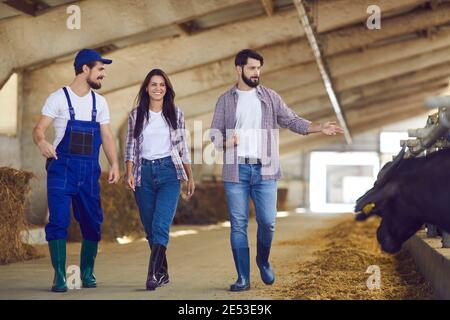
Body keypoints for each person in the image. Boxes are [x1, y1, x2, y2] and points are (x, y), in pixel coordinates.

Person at [210, 49, 344, 291]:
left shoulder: (270, 97)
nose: (256, 73)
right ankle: (242, 278)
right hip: (236, 170)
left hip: (266, 170)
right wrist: (227, 142)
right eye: (252, 68)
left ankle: (262, 259)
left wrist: (319, 126)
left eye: (259, 68)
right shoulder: (225, 100)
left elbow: (292, 120)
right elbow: (214, 134)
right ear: (239, 69)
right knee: (238, 224)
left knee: (268, 221)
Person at [32, 49, 120, 292]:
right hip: (62, 169)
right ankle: (59, 275)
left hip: (89, 171)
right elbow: (39, 129)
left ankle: (87, 273)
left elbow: (107, 136)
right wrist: (42, 142)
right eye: (100, 69)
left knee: (92, 222)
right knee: (58, 221)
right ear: (85, 69)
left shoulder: (99, 102)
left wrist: (114, 163)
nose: (103, 74)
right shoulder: (58, 98)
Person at [125, 68, 195, 291]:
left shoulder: (176, 113)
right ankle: (162, 272)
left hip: (169, 173)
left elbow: (183, 147)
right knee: (149, 228)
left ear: (167, 89)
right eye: (154, 84)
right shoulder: (136, 115)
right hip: (142, 173)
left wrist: (190, 176)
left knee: (160, 224)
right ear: (147, 88)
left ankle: (152, 275)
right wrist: (129, 172)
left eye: (162, 84)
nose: (158, 88)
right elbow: (130, 148)